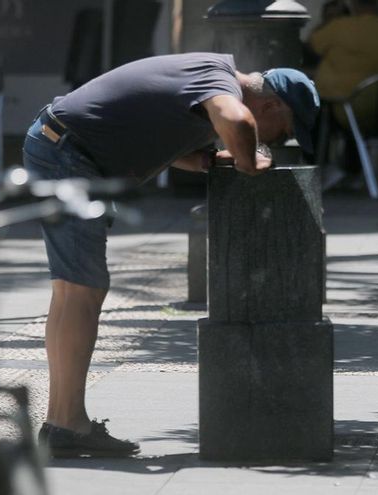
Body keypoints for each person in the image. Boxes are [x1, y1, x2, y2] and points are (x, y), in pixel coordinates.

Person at [23, 53, 320, 458]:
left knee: (73, 291)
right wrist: (252, 161)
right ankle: (67, 425)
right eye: (281, 130)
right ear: (270, 105)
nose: (278, 140)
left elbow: (152, 126)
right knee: (81, 290)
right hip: (69, 153)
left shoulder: (207, 74)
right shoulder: (221, 84)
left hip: (58, 143)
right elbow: (238, 121)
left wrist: (204, 161)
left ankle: (63, 421)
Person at [308, 0, 378, 189]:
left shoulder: (340, 27)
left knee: (313, 113)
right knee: (349, 121)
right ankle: (351, 170)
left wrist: (330, 21)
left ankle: (318, 169)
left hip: (345, 106)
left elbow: (312, 45)